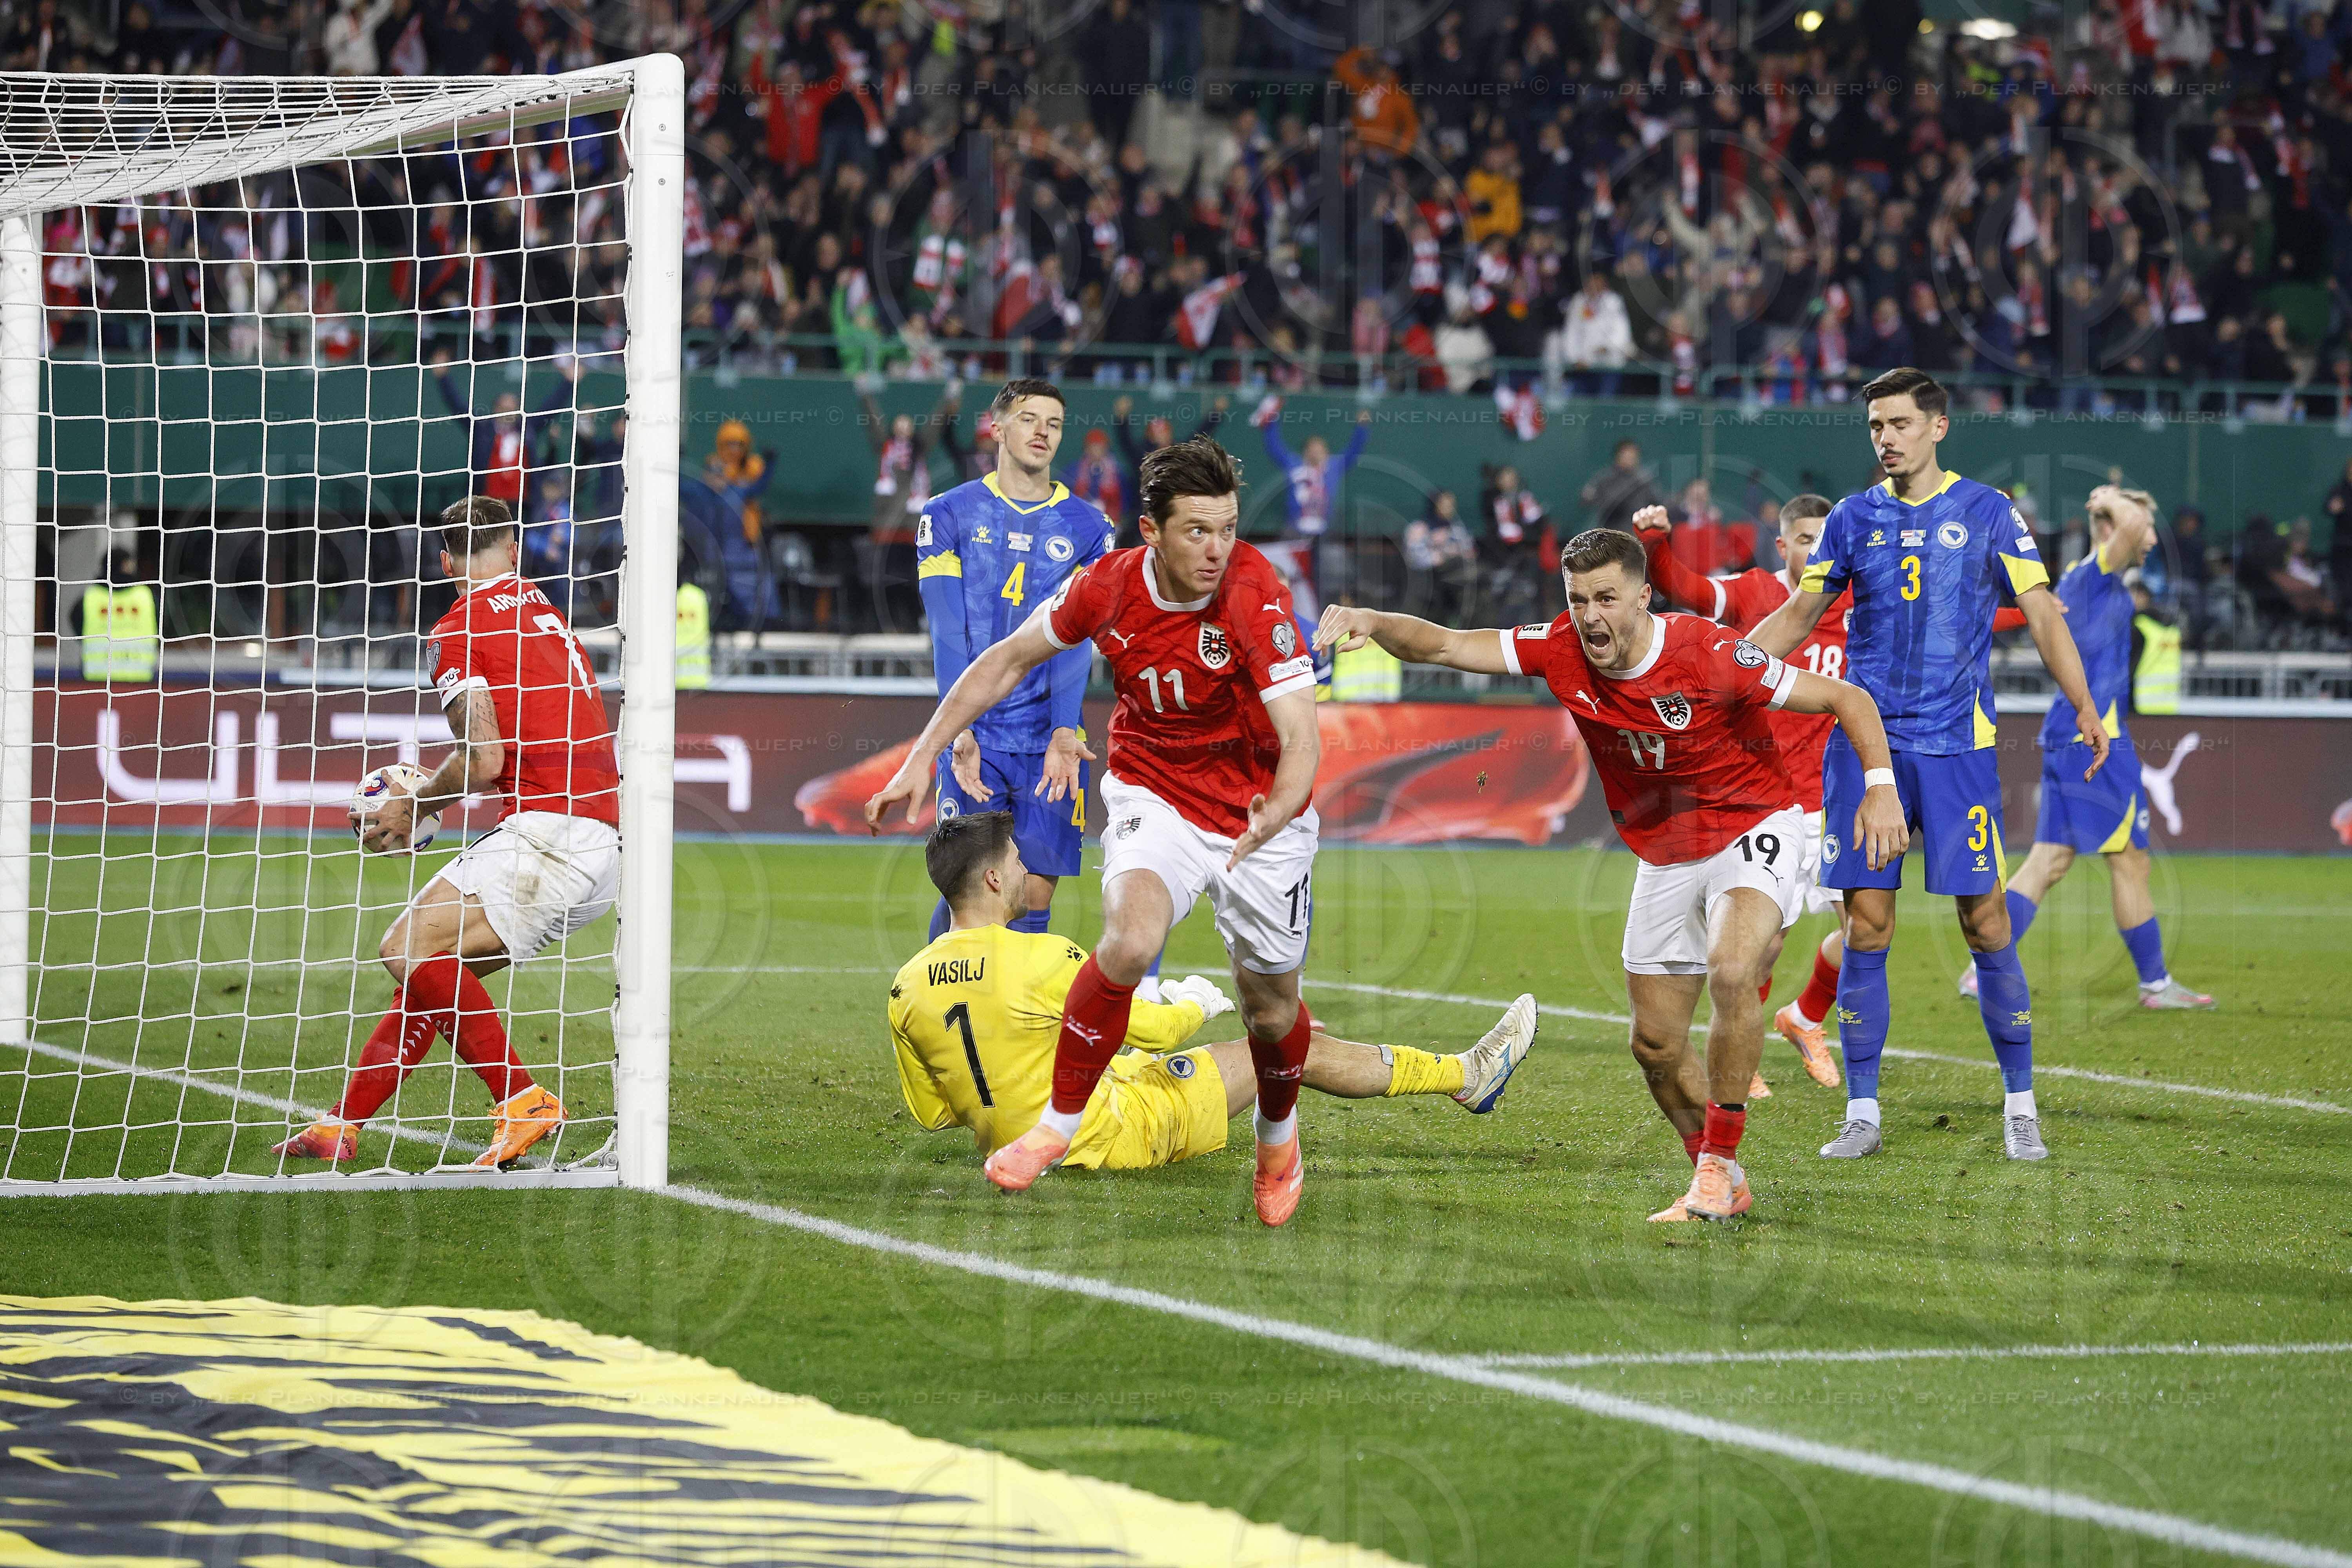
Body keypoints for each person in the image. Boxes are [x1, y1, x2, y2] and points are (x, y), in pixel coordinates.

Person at [1314, 528, 1907, 1224]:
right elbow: (1446, 645)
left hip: (1751, 825)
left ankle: (1718, 1165)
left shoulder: (1707, 652)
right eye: (1578, 599)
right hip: (1666, 851)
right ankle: (1721, 1177)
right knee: (1654, 1044)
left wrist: (1881, 788)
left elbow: (1846, 698)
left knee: (1733, 969)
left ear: (1643, 597)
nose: (1590, 615)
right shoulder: (1559, 646)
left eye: (1606, 598)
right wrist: (1374, 620)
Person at [869, 436, 1325, 1227]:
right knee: (1130, 938)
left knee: (1271, 1012)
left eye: (1227, 528)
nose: (1217, 549)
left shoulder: (1256, 594)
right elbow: (1007, 659)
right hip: (1157, 790)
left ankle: (1278, 1140)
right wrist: (923, 754)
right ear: (1150, 531)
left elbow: (1302, 738)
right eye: (1197, 530)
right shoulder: (1106, 587)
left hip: (1261, 812)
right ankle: (1059, 1124)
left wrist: (1277, 811)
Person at [1749, 367, 2108, 1164]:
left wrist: (2083, 702)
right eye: (1876, 425)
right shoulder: (1851, 517)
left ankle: (2021, 1105)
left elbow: (2042, 612)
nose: (1886, 438)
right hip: (1865, 749)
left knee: (1986, 922)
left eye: (1901, 423)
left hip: (1957, 750)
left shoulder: (1989, 511)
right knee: (1867, 926)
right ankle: (1862, 1111)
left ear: (1938, 427)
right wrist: (1729, 669)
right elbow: (1801, 613)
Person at [1640, 495, 2036, 1089]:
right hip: (1768, 801)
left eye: (1824, 540)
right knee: (1765, 944)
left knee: (1860, 930)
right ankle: (1744, 1052)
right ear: (1783, 546)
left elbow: (1949, 616)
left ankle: (1804, 1018)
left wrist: (2028, 608)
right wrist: (1654, 543)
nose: (1817, 550)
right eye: (1805, 540)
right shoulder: (1757, 593)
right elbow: (1686, 588)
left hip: (1834, 796)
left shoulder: (1852, 595)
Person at [275, 497, 620, 1169]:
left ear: (443, 562)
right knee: (430, 978)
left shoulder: (458, 629)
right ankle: (342, 1125)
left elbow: (483, 758)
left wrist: (415, 804)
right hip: (601, 844)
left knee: (404, 948)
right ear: (514, 551)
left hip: (549, 834)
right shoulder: (546, 613)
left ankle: (522, 1100)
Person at [892, 813, 1538, 1171]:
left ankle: (1464, 1076)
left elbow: (934, 1114)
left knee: (1142, 1059)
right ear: (994, 881)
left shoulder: (907, 984)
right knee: (1287, 1048)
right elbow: (1154, 1030)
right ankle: (1468, 1076)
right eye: (1016, 862)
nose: (1026, 870)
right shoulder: (1041, 955)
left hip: (1022, 1138)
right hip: (1113, 1134)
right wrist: (1196, 1002)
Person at [1959, 487, 2215, 1011]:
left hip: (2070, 735)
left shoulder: (2098, 581)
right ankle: (2155, 985)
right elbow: (2127, 528)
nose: (2151, 539)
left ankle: (1981, 970)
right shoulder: (2094, 575)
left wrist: (2121, 508)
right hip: (2095, 741)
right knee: (2130, 861)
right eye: (2146, 528)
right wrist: (2111, 498)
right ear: (2112, 528)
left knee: (2048, 861)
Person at [915, 377, 1114, 946]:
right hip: (976, 734)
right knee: (968, 888)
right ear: (997, 428)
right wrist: (960, 731)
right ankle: (935, 992)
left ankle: (1015, 1004)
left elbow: (1075, 642)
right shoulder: (947, 514)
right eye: (1029, 419)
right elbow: (948, 631)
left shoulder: (1091, 529)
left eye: (1054, 424)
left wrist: (1063, 731)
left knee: (1032, 893)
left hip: (1047, 736)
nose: (1043, 432)